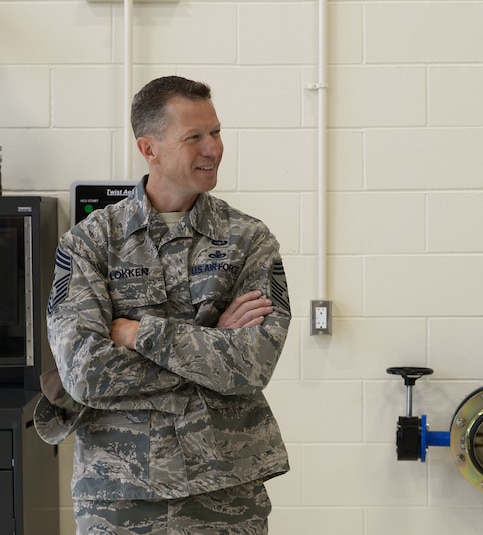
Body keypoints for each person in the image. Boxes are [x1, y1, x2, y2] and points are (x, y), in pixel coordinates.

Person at [35, 75, 291, 534]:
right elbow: (84, 374)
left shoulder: (248, 240)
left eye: (216, 132)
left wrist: (138, 334)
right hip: (118, 496)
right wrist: (211, 344)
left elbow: (252, 366)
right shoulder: (90, 243)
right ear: (148, 148)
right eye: (194, 137)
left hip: (225, 493)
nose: (213, 148)